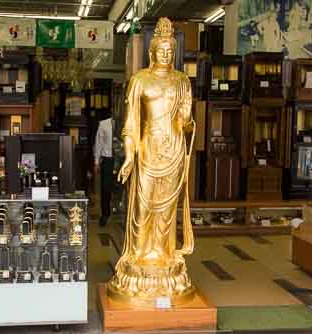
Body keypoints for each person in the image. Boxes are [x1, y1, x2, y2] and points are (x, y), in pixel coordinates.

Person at [107, 17, 196, 306]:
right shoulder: (139, 80)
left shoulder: (182, 81)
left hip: (173, 150)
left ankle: (164, 255)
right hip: (146, 151)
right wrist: (129, 157)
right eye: (162, 50)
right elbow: (131, 124)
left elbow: (186, 122)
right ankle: (139, 256)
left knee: (167, 211)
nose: (166, 55)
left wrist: (186, 120)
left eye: (171, 51)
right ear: (152, 51)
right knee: (142, 208)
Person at [94, 113, 114, 227]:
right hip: (108, 160)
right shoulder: (104, 124)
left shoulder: (129, 122)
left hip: (123, 159)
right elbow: (99, 143)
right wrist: (96, 162)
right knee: (106, 188)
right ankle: (105, 214)